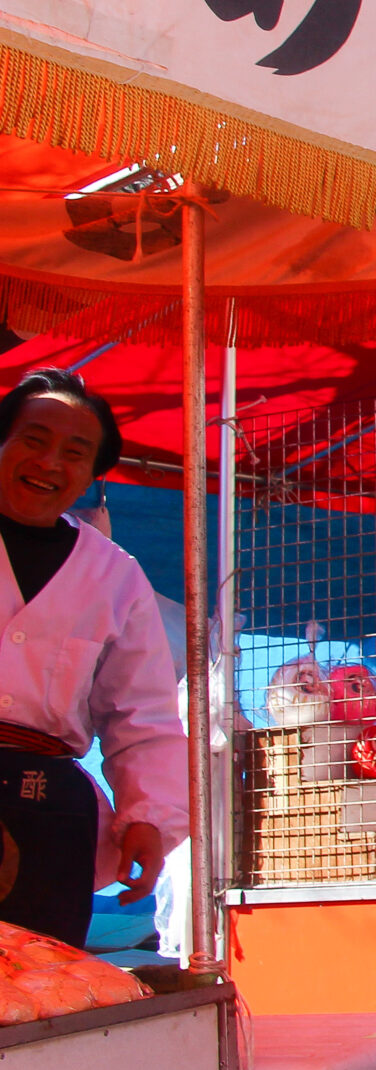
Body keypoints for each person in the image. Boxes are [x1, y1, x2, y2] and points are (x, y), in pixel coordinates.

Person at [0, 371, 184, 948]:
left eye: (75, 453)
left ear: (91, 474)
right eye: (34, 439)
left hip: (50, 813)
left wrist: (147, 816)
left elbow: (143, 715)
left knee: (39, 991)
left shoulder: (115, 575)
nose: (50, 462)